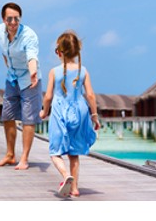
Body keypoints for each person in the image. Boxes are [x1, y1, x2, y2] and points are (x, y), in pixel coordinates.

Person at [39, 30, 101, 198]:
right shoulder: (83, 71)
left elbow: (48, 96)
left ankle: (66, 176)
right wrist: (94, 115)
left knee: (55, 152)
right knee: (74, 153)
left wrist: (44, 111)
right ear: (76, 51)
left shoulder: (54, 71)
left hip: (60, 111)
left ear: (59, 52)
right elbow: (90, 95)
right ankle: (74, 188)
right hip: (80, 111)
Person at [0, 2, 41, 170]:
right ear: (3, 19)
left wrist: (33, 72)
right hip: (12, 77)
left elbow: (32, 56)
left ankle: (24, 158)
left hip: (29, 79)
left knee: (28, 119)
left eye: (16, 19)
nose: (13, 22)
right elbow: (4, 52)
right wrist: (8, 66)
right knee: (7, 116)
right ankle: (9, 155)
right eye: (9, 19)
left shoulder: (29, 35)